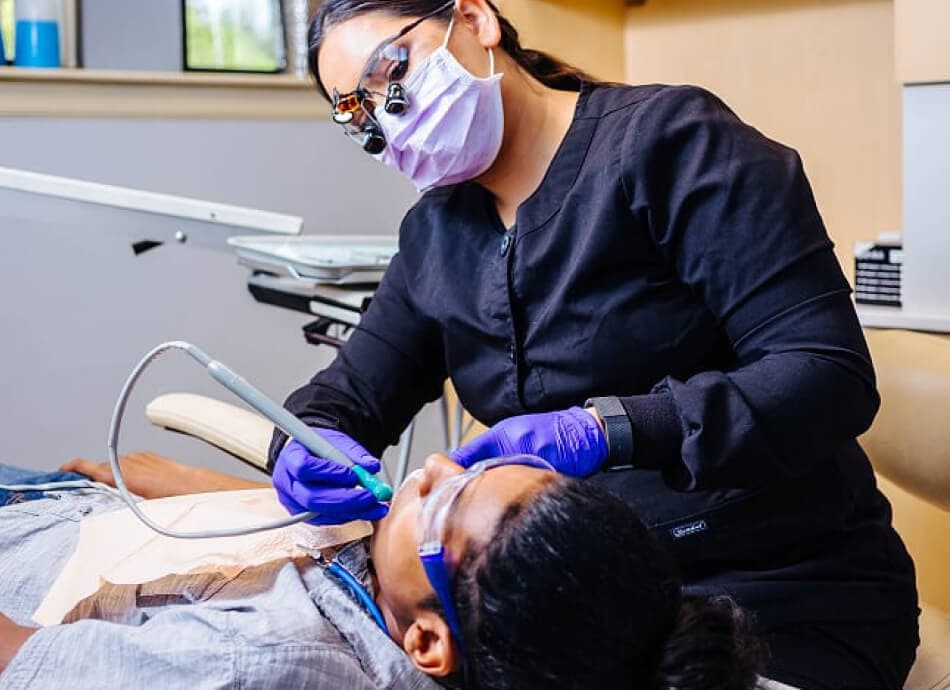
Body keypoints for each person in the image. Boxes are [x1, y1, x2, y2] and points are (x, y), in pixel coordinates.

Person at [265, 1, 920, 688]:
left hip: (772, 587)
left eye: (392, 73)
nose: (389, 115)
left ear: (475, 18)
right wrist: (305, 440)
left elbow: (825, 376)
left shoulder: (674, 145)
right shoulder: (437, 235)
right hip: (567, 617)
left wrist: (610, 430)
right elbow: (349, 394)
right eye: (361, 113)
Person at [0, 454, 763, 689]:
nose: (434, 466)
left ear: (428, 642)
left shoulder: (260, 665)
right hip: (83, 502)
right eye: (479, 467)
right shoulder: (391, 581)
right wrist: (184, 484)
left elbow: (19, 659)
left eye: (446, 502)